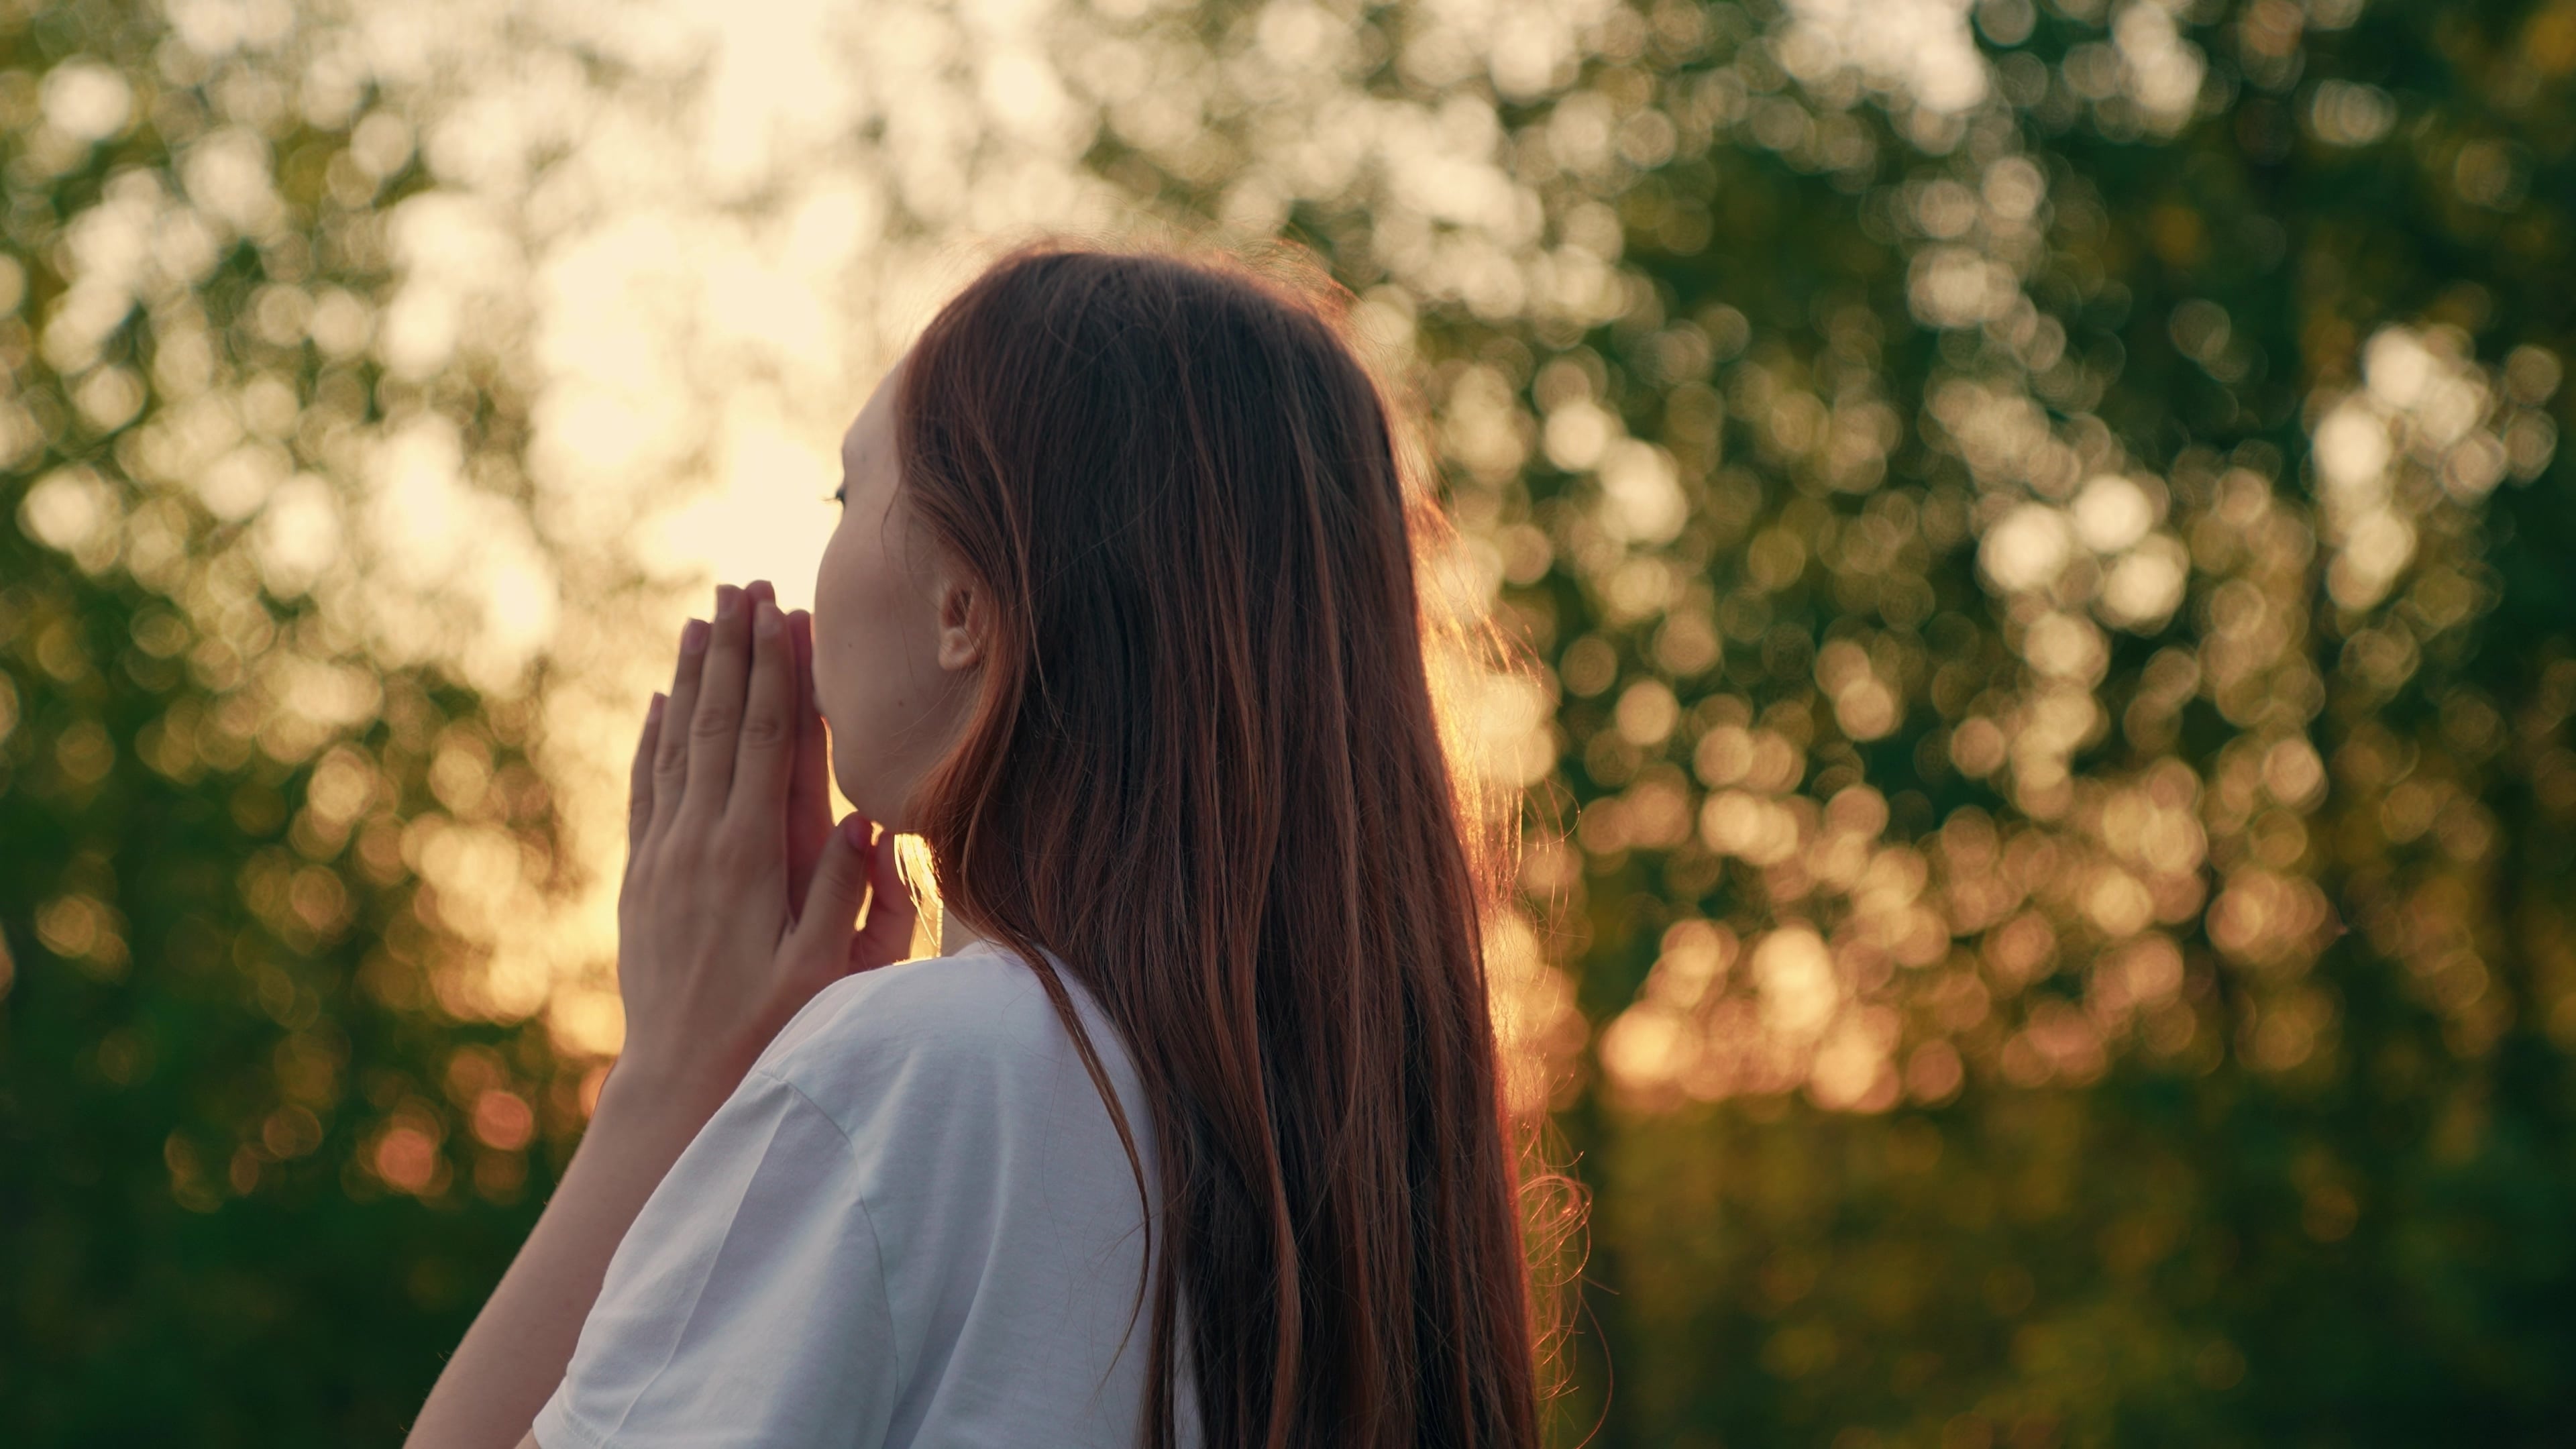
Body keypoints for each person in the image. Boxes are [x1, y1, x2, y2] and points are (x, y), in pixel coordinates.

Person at [404, 235, 1553, 1449]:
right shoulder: (1363, 1146)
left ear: (966, 608)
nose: (819, 569)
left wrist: (671, 1080)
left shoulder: (928, 1073)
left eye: (847, 498)